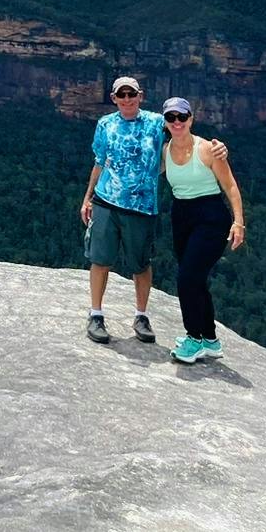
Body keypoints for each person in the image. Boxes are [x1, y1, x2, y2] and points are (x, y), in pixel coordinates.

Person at [80, 76, 224, 345]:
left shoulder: (157, 123)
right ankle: (96, 314)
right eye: (121, 95)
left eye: (131, 94)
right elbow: (99, 163)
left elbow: (184, 133)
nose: (126, 99)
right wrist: (87, 198)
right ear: (113, 98)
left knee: (141, 264)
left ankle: (142, 315)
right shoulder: (105, 125)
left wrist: (216, 147)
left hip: (142, 207)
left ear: (141, 95)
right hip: (105, 202)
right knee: (100, 259)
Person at [159, 96, 245, 362]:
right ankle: (210, 339)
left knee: (187, 279)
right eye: (171, 118)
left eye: (181, 117)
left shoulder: (208, 149)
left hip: (210, 216)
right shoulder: (164, 151)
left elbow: (230, 186)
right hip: (181, 215)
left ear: (191, 120)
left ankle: (193, 338)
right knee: (196, 279)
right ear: (165, 121)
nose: (177, 122)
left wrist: (238, 221)